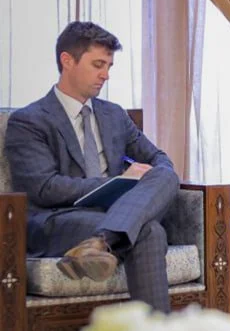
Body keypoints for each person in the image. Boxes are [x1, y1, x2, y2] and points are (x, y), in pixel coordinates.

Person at [4, 22, 176, 312]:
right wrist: (118, 183)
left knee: (166, 174)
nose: (105, 74)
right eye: (98, 65)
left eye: (109, 66)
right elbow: (44, 188)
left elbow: (160, 159)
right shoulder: (29, 120)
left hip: (111, 214)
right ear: (67, 60)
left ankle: (100, 241)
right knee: (150, 231)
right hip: (59, 219)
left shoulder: (114, 115)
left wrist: (134, 183)